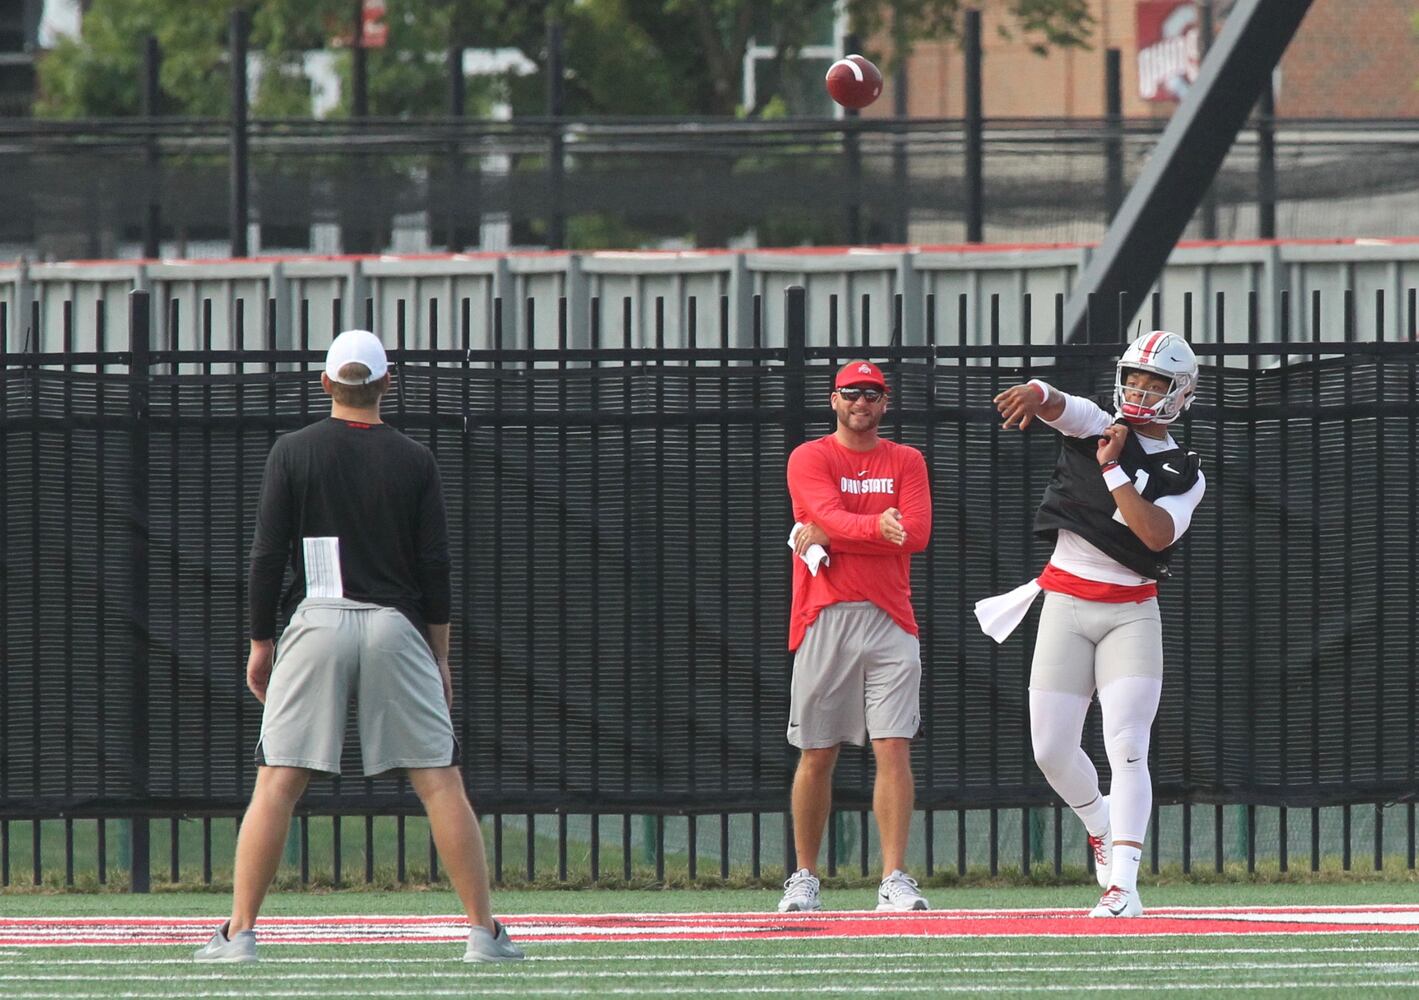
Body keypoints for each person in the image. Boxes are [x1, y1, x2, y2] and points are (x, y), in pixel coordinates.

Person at [195, 329, 522, 964]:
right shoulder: (414, 459)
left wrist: (260, 642)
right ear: (386, 385)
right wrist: (441, 654)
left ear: (325, 385)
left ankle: (239, 934)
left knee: (277, 783)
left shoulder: (293, 452)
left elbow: (267, 558)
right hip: (395, 625)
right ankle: (483, 934)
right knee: (439, 781)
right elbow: (435, 567)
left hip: (315, 620)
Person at [978, 330, 1204, 918]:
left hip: (1131, 611)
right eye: (1135, 377)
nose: (1140, 390)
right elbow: (1060, 403)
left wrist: (1113, 472)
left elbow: (1153, 533)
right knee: (1051, 749)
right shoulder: (1098, 423)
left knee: (1127, 745)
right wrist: (1033, 390)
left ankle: (1124, 887)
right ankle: (1100, 823)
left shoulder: (1186, 470)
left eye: (1155, 383)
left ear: (1180, 394)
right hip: (1066, 603)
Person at [779, 360, 933, 913]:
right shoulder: (810, 456)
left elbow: (915, 533)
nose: (861, 403)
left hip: (892, 617)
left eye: (872, 394)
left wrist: (842, 532)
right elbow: (822, 512)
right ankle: (804, 876)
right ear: (834, 399)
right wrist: (873, 528)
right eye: (851, 394)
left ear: (885, 403)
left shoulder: (906, 460)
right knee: (817, 752)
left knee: (894, 748)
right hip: (826, 614)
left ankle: (894, 877)